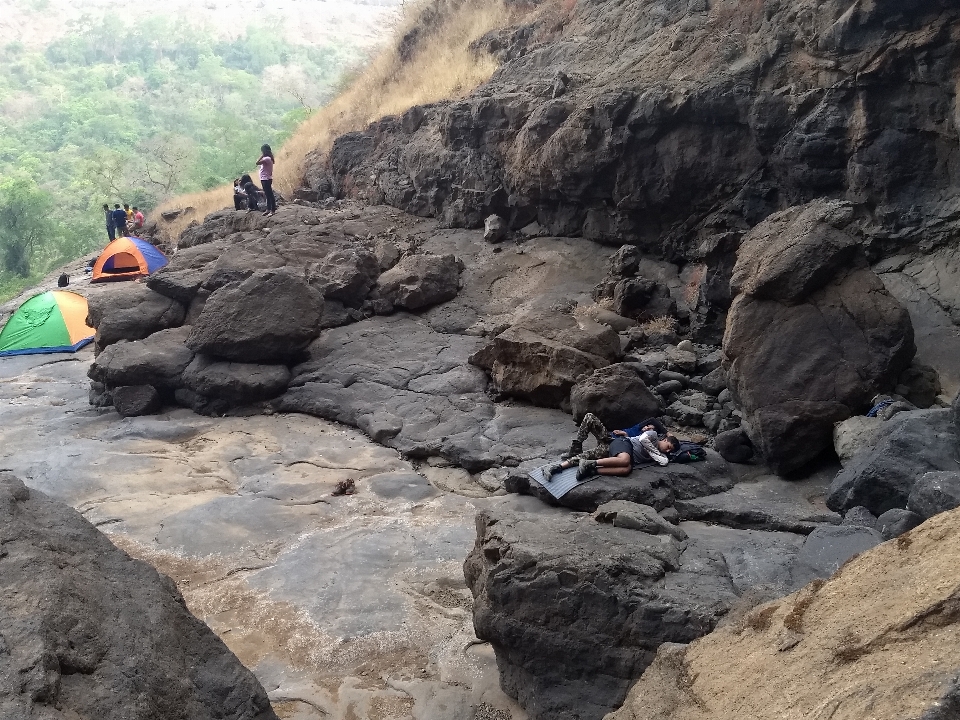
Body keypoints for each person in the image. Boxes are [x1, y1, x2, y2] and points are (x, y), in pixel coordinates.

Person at [548, 413, 680, 481]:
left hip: (615, 449)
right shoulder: (645, 433)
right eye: (648, 426)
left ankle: (563, 467)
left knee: (589, 456)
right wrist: (626, 433)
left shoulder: (657, 448)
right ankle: (576, 446)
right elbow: (651, 423)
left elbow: (664, 459)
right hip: (614, 440)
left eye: (650, 427)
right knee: (589, 417)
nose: (647, 427)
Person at [256, 144, 276, 216]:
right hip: (265, 178)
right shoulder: (269, 158)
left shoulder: (266, 158)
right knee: (267, 194)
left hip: (266, 179)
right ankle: (268, 209)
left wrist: (262, 155)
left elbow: (257, 162)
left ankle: (272, 210)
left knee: (270, 195)